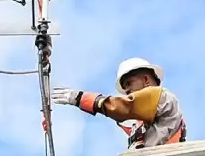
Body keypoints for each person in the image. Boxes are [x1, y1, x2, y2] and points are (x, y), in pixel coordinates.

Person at [47, 57, 186, 150]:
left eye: (129, 83)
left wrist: (80, 98)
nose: (126, 91)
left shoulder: (162, 96)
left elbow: (123, 107)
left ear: (146, 80)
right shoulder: (143, 122)